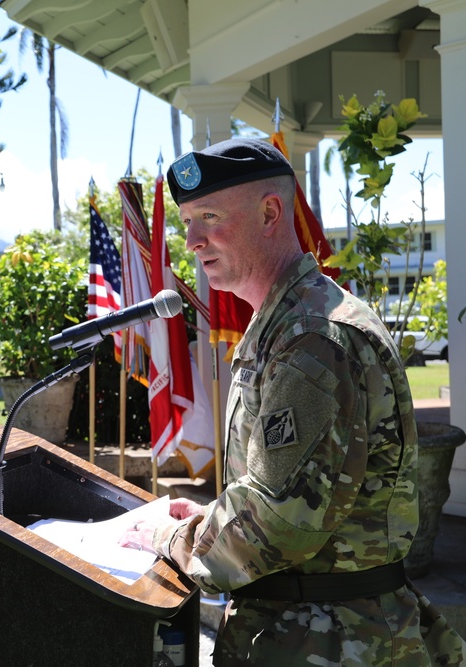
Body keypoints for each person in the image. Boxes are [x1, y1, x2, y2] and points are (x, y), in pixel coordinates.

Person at [119, 138, 464, 665]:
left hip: (333, 640)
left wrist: (174, 537)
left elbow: (280, 522)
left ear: (270, 213)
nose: (191, 240)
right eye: (187, 221)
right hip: (313, 630)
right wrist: (215, 517)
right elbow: (284, 489)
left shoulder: (314, 338)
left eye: (209, 216)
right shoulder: (287, 324)